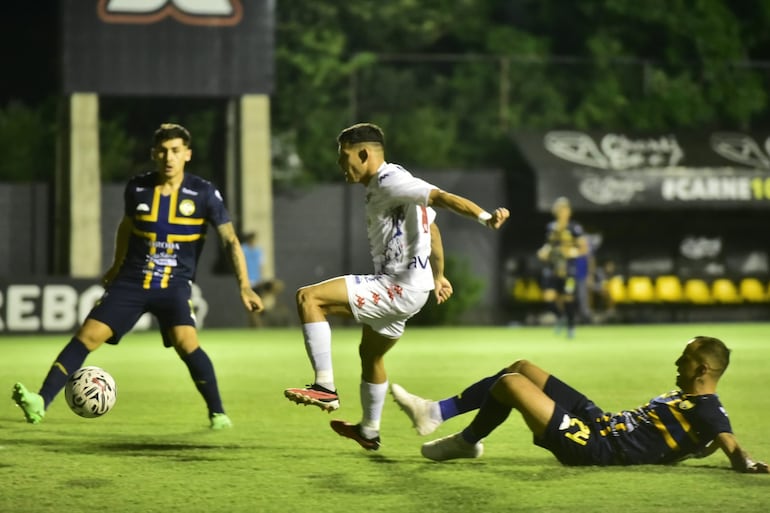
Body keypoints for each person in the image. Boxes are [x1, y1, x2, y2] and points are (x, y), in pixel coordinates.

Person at [11, 123, 264, 429]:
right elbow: (126, 227)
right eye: (163, 151)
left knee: (187, 342)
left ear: (187, 154)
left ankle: (217, 412)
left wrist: (244, 286)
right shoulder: (137, 188)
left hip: (174, 285)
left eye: (175, 151)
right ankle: (40, 400)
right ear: (154, 154)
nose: (169, 157)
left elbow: (230, 240)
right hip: (132, 281)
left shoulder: (204, 193)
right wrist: (117, 265)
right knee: (87, 336)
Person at [283, 122, 509, 451]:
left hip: (396, 287)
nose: (340, 164)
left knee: (309, 298)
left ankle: (325, 386)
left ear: (363, 153)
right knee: (370, 355)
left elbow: (441, 198)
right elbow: (431, 229)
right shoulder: (395, 180)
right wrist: (439, 275)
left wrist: (485, 217)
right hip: (411, 291)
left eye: (343, 156)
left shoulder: (390, 181)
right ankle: (369, 430)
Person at [390, 336, 769, 473]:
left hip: (599, 448)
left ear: (703, 369)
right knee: (521, 367)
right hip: (600, 421)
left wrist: (748, 463)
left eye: (684, 359)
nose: (676, 362)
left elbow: (732, 446)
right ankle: (438, 413)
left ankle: (466, 438)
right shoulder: (690, 400)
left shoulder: (707, 408)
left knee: (511, 384)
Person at [536, 197, 588, 339]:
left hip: (569, 268)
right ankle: (561, 317)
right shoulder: (551, 227)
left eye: (564, 209)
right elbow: (549, 245)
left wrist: (573, 252)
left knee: (568, 298)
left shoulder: (574, 228)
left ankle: (571, 328)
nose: (562, 212)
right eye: (559, 209)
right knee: (548, 297)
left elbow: (583, 248)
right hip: (553, 268)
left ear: (569, 211)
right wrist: (544, 252)